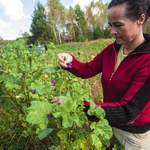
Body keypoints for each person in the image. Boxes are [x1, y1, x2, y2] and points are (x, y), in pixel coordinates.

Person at [51, 0, 150, 149]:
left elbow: (128, 111)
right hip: (107, 124)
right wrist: (70, 62)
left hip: (133, 136)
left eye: (118, 25)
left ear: (140, 19)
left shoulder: (147, 59)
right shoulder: (112, 50)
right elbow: (87, 70)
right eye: (110, 25)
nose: (112, 32)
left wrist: (75, 106)